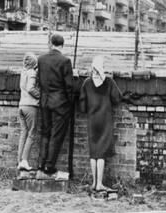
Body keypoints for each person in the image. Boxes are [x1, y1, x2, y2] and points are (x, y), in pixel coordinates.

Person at [79, 55, 122, 191]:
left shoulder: (86, 82)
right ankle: (99, 184)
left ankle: (93, 183)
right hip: (105, 119)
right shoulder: (108, 82)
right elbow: (117, 98)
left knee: (93, 151)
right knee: (101, 152)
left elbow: (82, 105)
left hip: (92, 119)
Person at [36, 33, 75, 178]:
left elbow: (39, 81)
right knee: (56, 135)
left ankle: (40, 163)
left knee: (45, 132)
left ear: (51, 43)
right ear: (62, 45)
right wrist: (70, 103)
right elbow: (69, 86)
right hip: (60, 103)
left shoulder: (41, 59)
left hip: (45, 101)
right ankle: (49, 166)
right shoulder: (65, 61)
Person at [17, 53, 40, 171]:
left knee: (23, 133)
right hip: (30, 106)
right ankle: (25, 160)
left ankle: (20, 161)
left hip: (21, 105)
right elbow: (31, 88)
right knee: (32, 133)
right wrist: (40, 96)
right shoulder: (32, 73)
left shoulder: (23, 72)